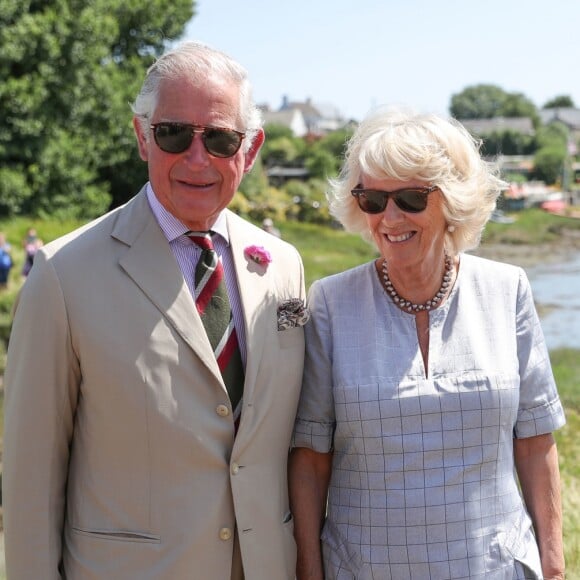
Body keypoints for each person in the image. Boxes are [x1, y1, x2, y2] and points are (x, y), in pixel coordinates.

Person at [3, 40, 307, 580]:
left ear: (250, 150)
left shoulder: (282, 266)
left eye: (219, 139)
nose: (197, 159)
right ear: (142, 136)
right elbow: (30, 480)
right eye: (173, 134)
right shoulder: (62, 275)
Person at [289, 107, 566, 579]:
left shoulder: (507, 289)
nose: (390, 217)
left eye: (412, 197)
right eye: (373, 199)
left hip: (494, 569)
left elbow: (535, 442)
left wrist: (554, 568)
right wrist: (310, 572)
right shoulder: (331, 304)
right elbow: (312, 459)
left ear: (453, 199)